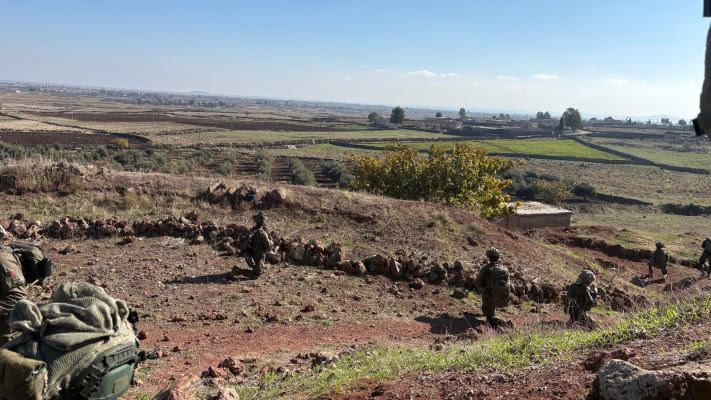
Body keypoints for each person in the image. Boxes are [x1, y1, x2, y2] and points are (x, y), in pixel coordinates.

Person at [474, 248, 512, 328]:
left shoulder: (486, 269)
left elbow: (478, 283)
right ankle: (492, 314)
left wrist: (483, 287)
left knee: (489, 317)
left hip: (490, 296)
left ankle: (502, 323)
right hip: (502, 297)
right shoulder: (504, 269)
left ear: (489, 257)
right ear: (498, 257)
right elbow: (509, 283)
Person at [233, 211, 273, 279]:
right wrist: (271, 239)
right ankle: (238, 270)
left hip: (251, 255)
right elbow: (269, 246)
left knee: (260, 269)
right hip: (258, 256)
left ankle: (258, 268)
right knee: (257, 275)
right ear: (264, 222)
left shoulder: (252, 230)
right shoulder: (262, 233)